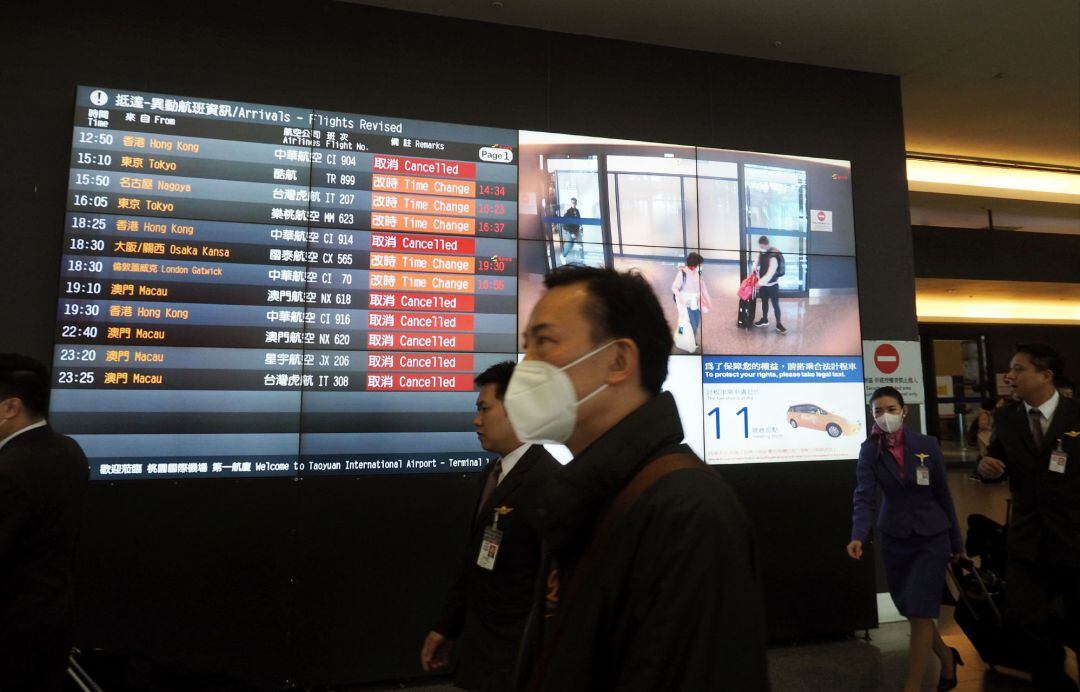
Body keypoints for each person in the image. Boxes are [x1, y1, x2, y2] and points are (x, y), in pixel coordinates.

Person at [507, 265, 768, 691]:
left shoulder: (687, 513)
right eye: (527, 345)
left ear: (619, 360)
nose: (527, 366)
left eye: (545, 342)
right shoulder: (596, 493)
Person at [421, 361, 559, 691]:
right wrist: (447, 627)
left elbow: (554, 594)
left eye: (485, 408)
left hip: (520, 667)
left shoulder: (549, 484)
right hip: (480, 657)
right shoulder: (492, 475)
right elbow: (474, 563)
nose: (476, 420)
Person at [848, 386, 966, 692]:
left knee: (920, 609)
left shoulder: (926, 444)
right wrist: (859, 534)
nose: (884, 416)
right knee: (912, 609)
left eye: (890, 409)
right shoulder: (870, 449)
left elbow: (943, 494)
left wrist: (957, 543)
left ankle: (911, 686)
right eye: (877, 411)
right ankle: (947, 658)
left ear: (904, 411)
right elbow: (864, 496)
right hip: (895, 537)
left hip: (931, 537)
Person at [978, 345, 1080, 692]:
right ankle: (1056, 677)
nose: (1010, 376)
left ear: (1045, 376)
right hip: (1027, 539)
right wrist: (986, 468)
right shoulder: (1007, 418)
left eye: (1019, 369)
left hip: (1072, 536)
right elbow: (994, 461)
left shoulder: (1076, 415)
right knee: (1020, 620)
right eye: (1010, 369)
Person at [0, 354, 90, 691]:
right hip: (53, 620)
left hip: (12, 632)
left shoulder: (11, 470)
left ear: (11, 407)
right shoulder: (69, 450)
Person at [670, 251, 713, 350]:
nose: (701, 266)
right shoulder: (682, 274)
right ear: (694, 265)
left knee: (695, 323)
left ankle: (685, 338)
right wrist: (680, 298)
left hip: (696, 304)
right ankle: (687, 342)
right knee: (689, 324)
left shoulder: (698, 273)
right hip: (685, 304)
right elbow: (674, 287)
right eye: (700, 265)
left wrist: (708, 301)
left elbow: (703, 288)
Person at [752, 235, 786, 334]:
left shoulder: (773, 256)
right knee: (764, 302)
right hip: (763, 286)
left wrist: (759, 283)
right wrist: (754, 267)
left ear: (766, 245)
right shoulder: (761, 252)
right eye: (760, 247)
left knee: (775, 305)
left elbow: (770, 273)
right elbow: (756, 261)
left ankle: (779, 324)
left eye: (762, 247)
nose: (760, 248)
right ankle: (765, 319)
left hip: (773, 285)